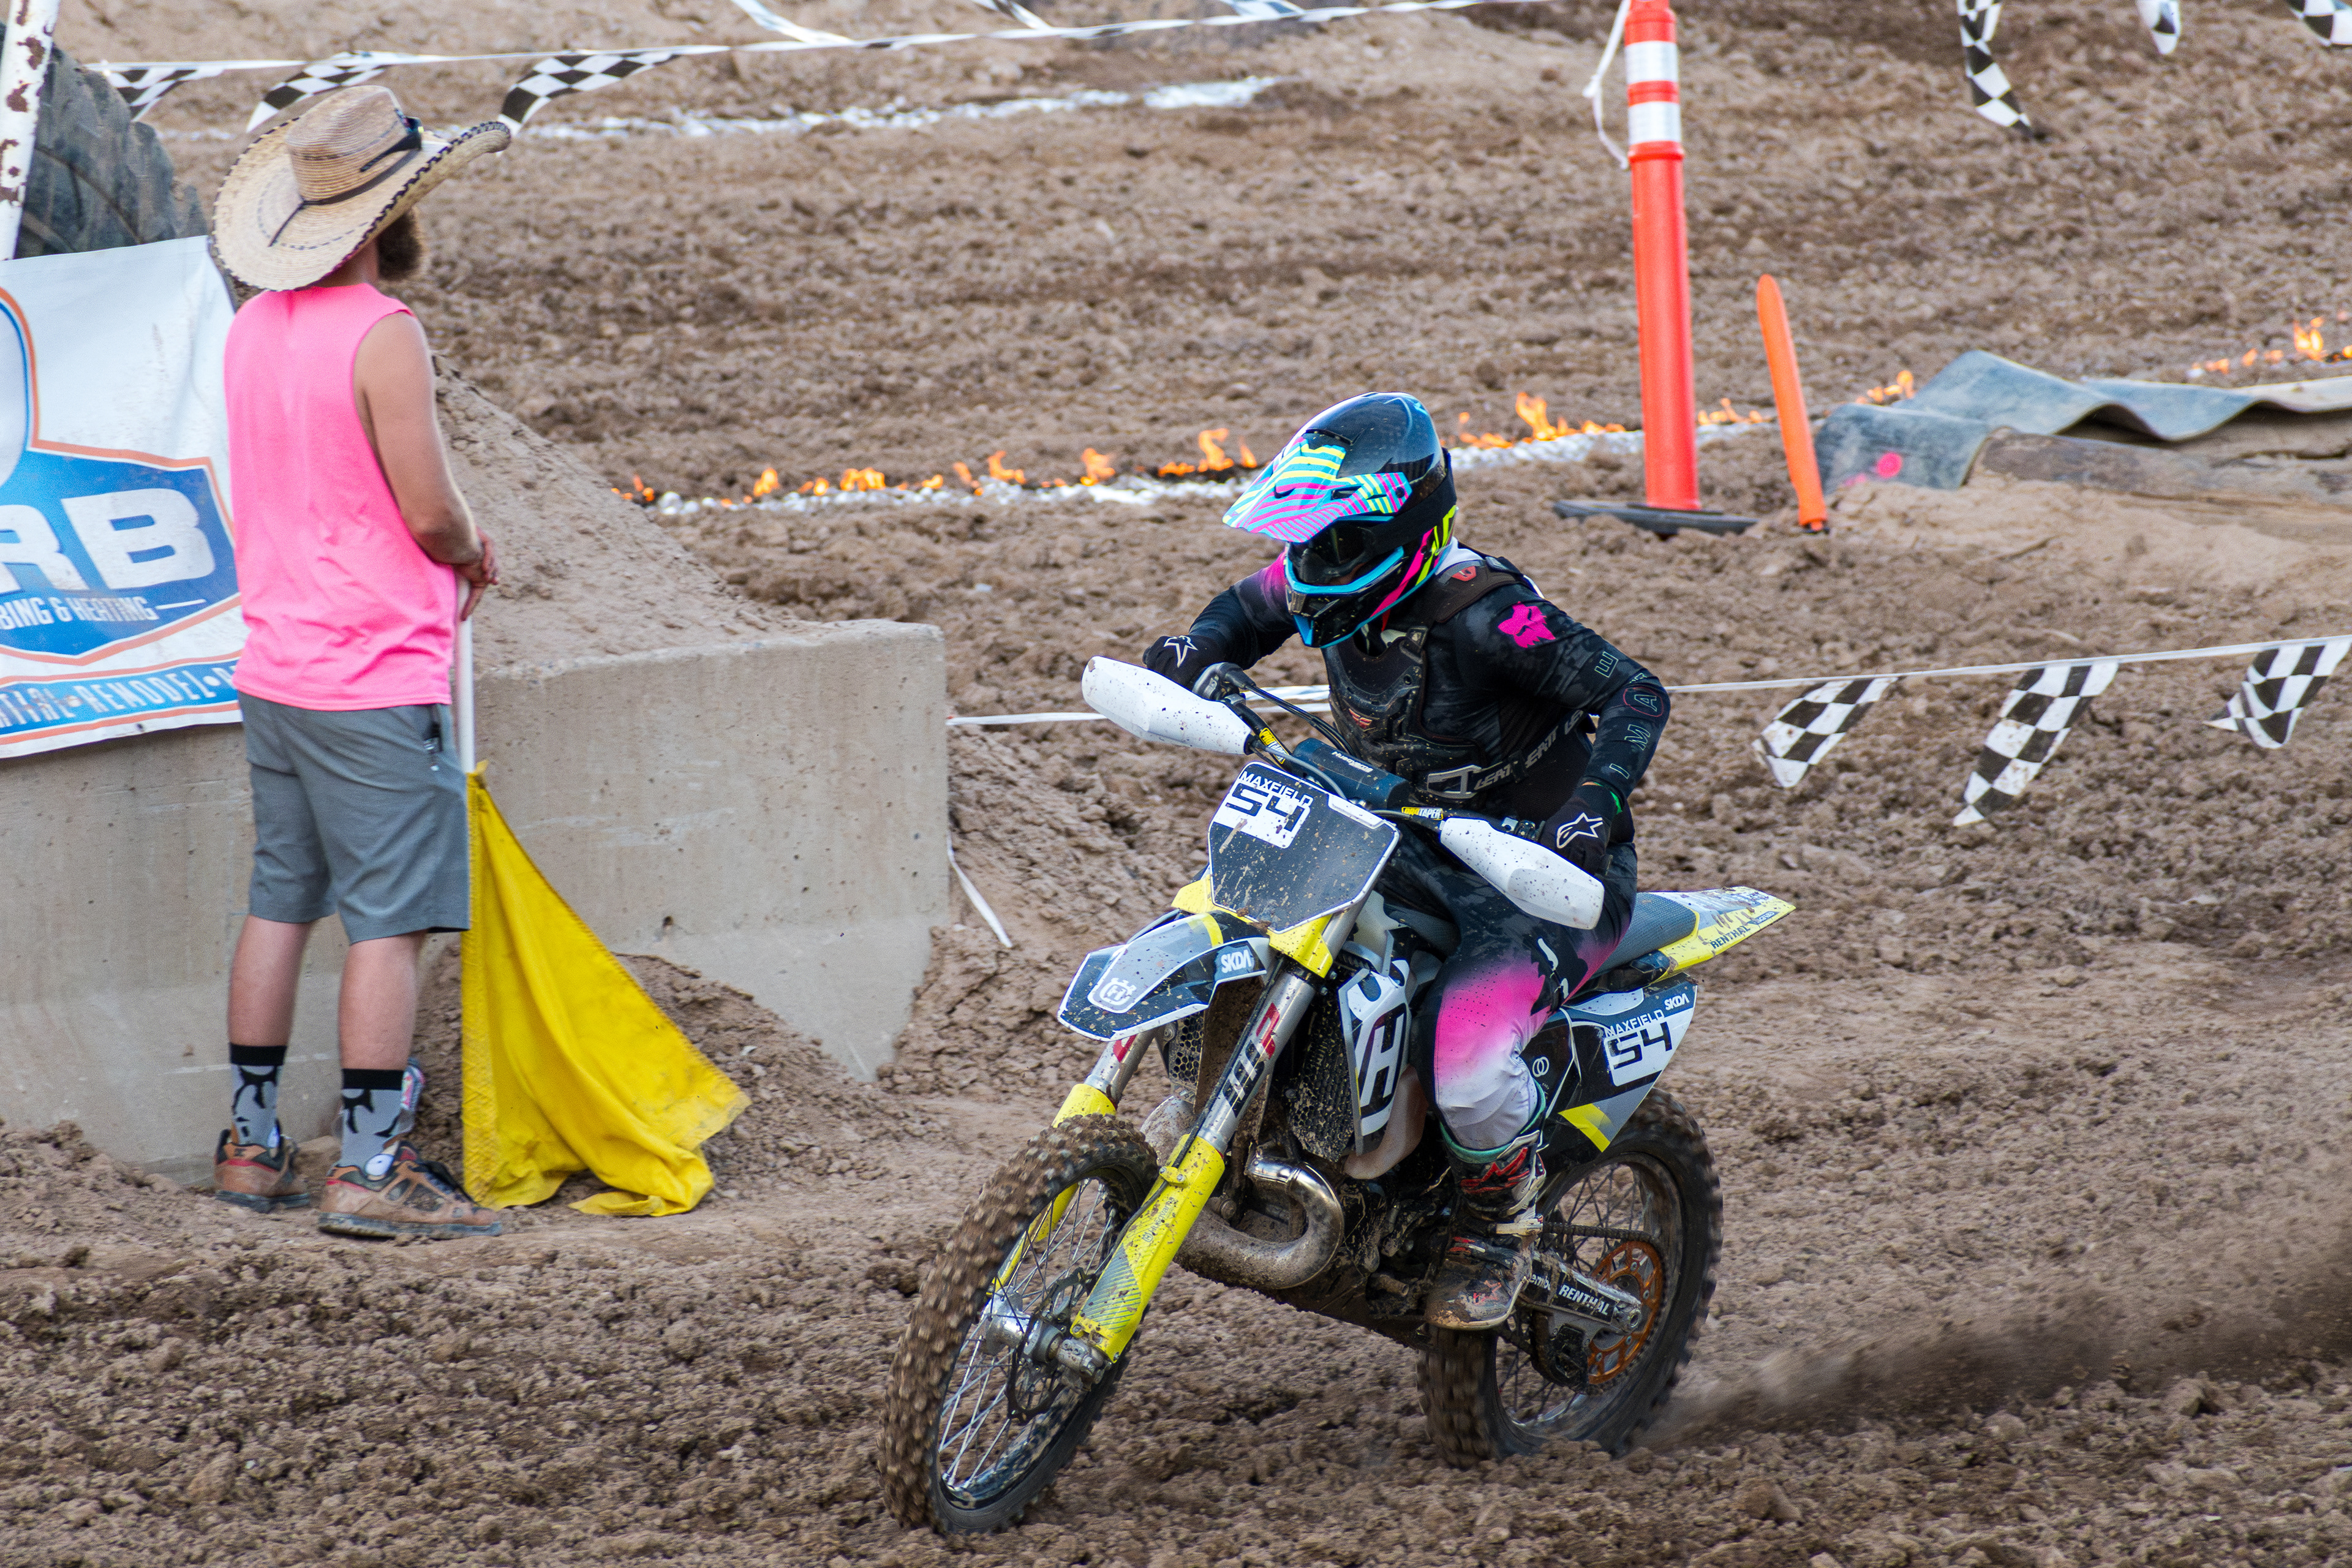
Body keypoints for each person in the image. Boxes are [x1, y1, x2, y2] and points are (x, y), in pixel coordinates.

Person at [1141, 391, 1670, 1329]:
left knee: (1466, 1065)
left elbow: (1635, 692)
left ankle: (1498, 1221)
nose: (1310, 565)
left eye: (1336, 544)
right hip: (1393, 835)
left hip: (1535, 876)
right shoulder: (1319, 573)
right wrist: (1197, 647)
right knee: (1235, 917)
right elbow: (1249, 605)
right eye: (1309, 541)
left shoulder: (1488, 618)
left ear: (1409, 533)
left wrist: (1594, 809)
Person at [204, 86, 513, 1239]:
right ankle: (374, 1167)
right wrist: (474, 551)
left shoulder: (248, 330)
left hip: (275, 665)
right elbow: (429, 510)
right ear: (388, 217)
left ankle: (251, 1143)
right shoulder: (385, 335)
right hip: (373, 673)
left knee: (279, 899)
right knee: (390, 922)